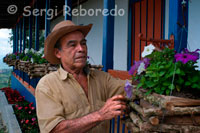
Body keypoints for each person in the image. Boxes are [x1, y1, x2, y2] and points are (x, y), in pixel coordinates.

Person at [35, 20, 127, 133]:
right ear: (58, 53)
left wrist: (150, 72)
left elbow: (129, 88)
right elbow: (55, 130)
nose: (81, 49)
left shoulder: (102, 78)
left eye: (83, 43)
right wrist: (100, 115)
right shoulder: (47, 85)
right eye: (72, 45)